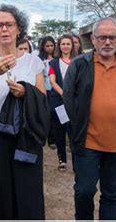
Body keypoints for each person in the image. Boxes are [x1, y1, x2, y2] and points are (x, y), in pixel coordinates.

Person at [0, 4, 46, 219]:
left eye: (9, 24)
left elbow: (41, 102)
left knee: (27, 191)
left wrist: (26, 92)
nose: (4, 29)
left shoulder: (34, 62)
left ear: (18, 28)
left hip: (25, 132)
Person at [63, 17, 116, 220]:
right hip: (87, 142)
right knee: (84, 191)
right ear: (93, 39)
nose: (107, 42)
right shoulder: (79, 65)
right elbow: (68, 97)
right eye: (102, 37)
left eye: (112, 37)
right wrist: (78, 126)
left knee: (111, 194)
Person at [48, 34, 74, 172]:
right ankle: (62, 160)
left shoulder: (78, 61)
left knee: (74, 133)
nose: (65, 46)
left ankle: (77, 162)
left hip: (75, 104)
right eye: (63, 44)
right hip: (59, 103)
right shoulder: (53, 63)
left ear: (72, 46)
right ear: (59, 46)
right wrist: (64, 94)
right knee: (60, 132)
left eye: (68, 44)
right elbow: (52, 81)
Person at [38, 36, 56, 149]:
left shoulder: (57, 58)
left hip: (55, 89)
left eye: (51, 45)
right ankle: (42, 137)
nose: (49, 48)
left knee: (53, 115)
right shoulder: (39, 59)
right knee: (44, 113)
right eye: (47, 46)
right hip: (44, 89)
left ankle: (52, 139)